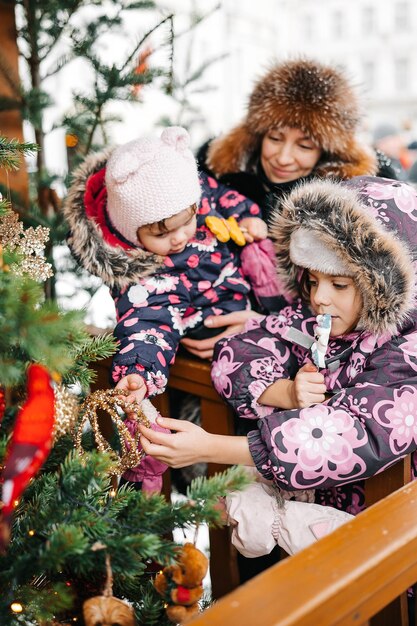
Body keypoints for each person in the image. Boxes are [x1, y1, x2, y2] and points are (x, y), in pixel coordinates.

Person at [138, 176, 417, 555]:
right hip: (319, 531)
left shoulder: (407, 349)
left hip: (392, 538)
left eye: (339, 285)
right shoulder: (310, 317)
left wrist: (210, 447)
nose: (319, 297)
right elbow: (239, 349)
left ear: (384, 286)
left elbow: (358, 432)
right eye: (313, 279)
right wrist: (283, 391)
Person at [63, 125, 266, 490]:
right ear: (130, 231)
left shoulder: (193, 198)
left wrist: (249, 217)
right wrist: (137, 369)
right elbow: (146, 323)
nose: (180, 237)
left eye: (187, 220)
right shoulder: (146, 277)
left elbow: (224, 198)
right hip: (215, 336)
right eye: (160, 233)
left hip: (254, 310)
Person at [183, 57, 398, 360]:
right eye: (275, 138)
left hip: (299, 362)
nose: (284, 158)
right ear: (258, 134)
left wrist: (263, 326)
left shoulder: (354, 198)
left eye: (305, 146)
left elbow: (361, 319)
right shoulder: (220, 177)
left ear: (327, 150)